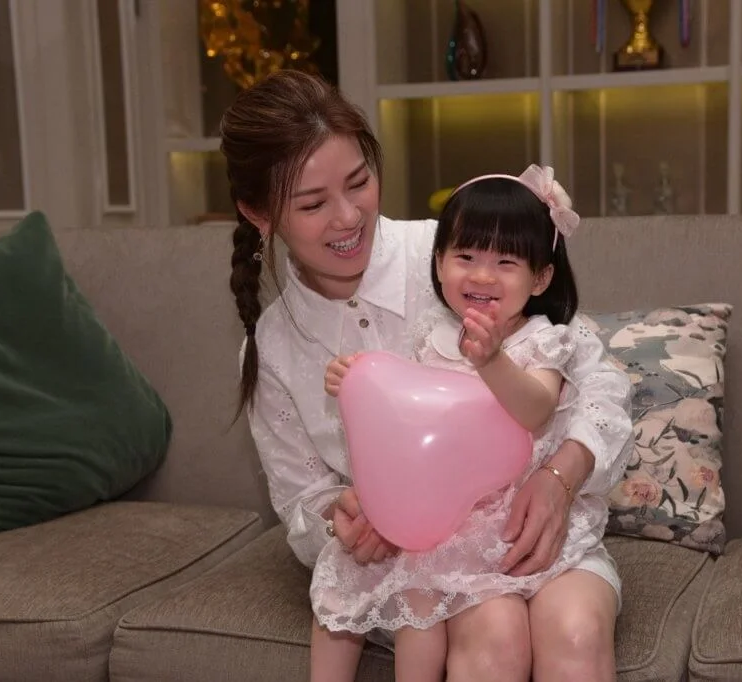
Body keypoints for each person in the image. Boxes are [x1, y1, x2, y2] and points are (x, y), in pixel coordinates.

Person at [222, 69, 634, 682]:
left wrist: (560, 476)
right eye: (312, 204)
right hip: (430, 566)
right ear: (259, 213)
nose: (348, 217)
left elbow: (595, 375)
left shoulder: (457, 255)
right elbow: (302, 502)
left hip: (538, 528)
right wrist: (344, 516)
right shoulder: (274, 348)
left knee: (574, 630)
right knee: (493, 642)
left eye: (359, 182)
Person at [312, 165, 626, 682]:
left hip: (536, 532)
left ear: (541, 278)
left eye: (506, 262)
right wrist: (353, 379)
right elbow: (409, 423)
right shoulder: (430, 336)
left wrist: (493, 361)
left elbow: (535, 410)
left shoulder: (543, 339)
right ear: (438, 264)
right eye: (465, 257)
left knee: (575, 632)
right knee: (483, 638)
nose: (482, 275)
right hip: (461, 536)